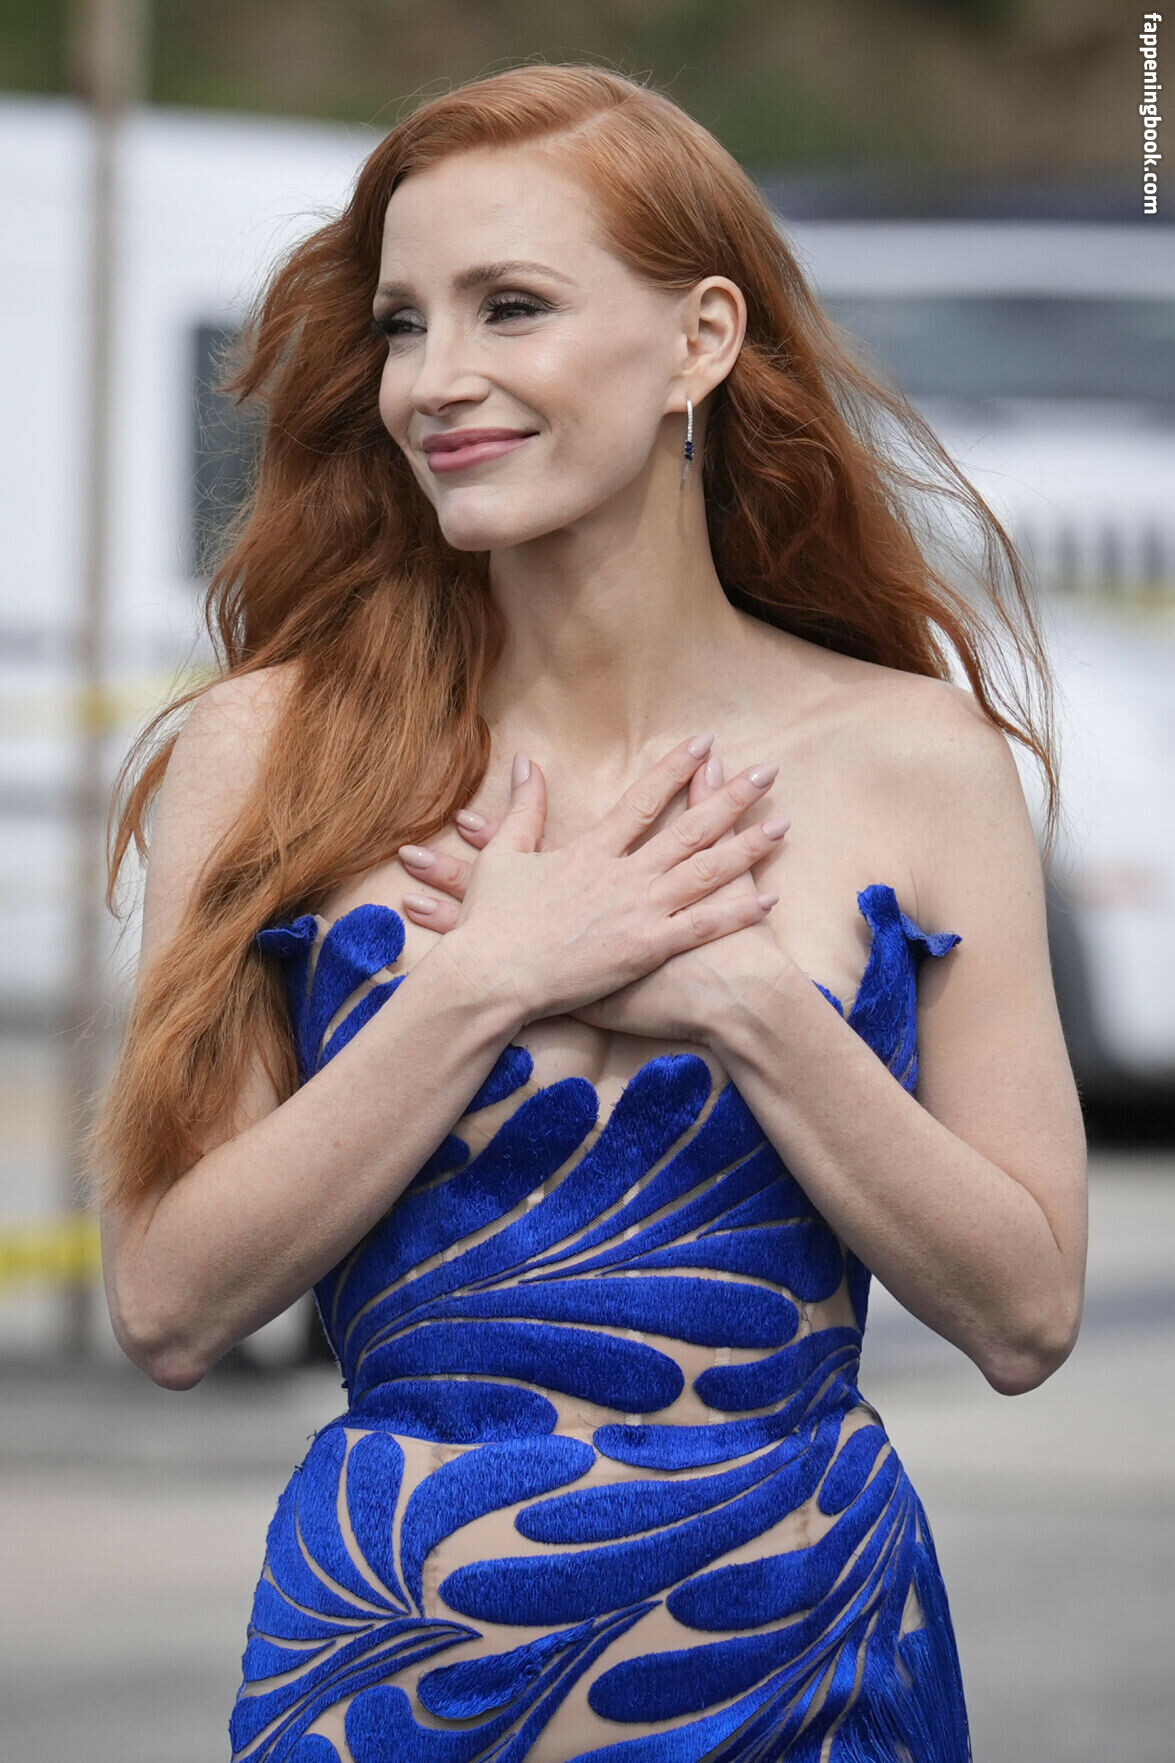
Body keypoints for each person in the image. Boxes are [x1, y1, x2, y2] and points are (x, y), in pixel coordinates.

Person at [89, 62, 1087, 1763]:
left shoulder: (918, 759)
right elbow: (169, 1305)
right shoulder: (268, 750)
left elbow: (1028, 1314)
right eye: (403, 324)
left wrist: (742, 1000)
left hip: (816, 1685)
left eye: (512, 307)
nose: (436, 381)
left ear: (701, 340)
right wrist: (488, 978)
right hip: (387, 1690)